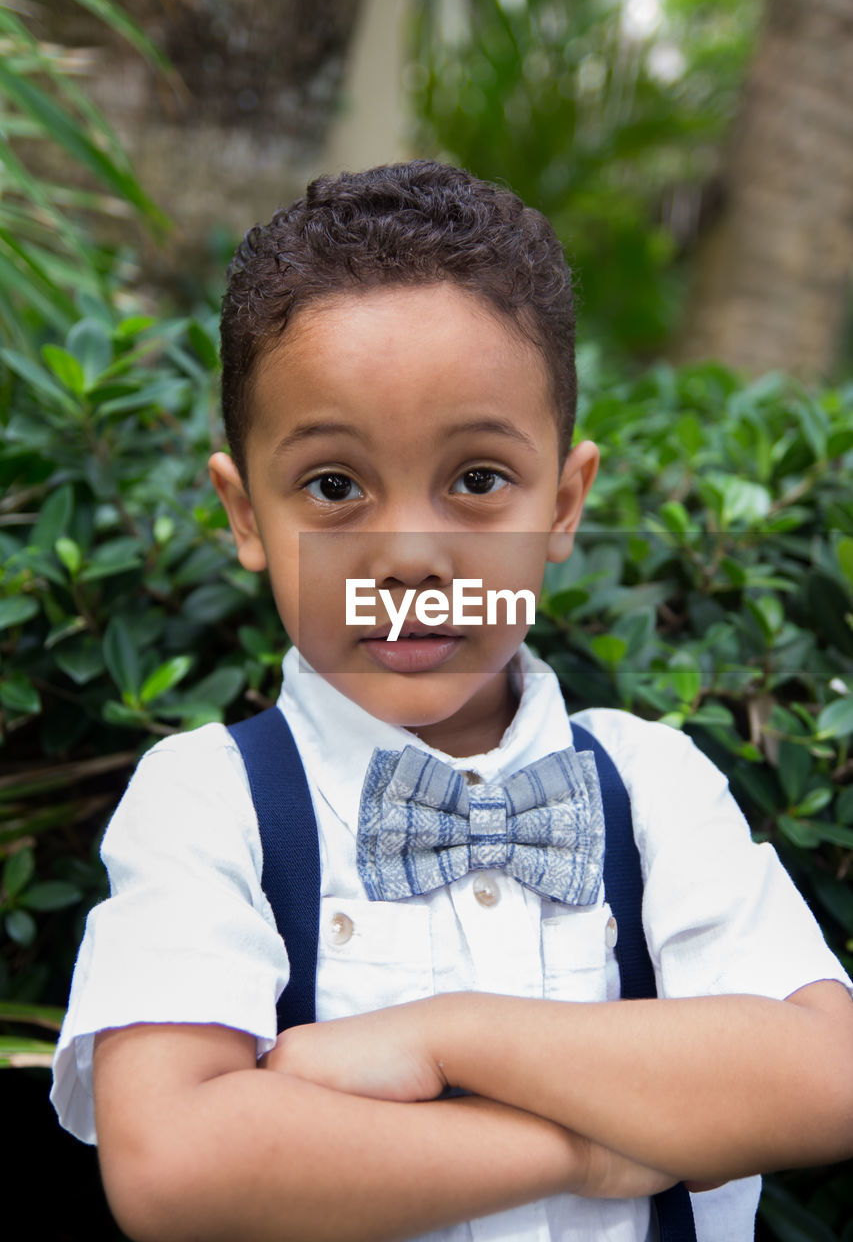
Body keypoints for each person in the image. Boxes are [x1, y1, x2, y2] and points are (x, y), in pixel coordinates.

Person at [51, 161, 853, 1242]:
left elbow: (824, 1070)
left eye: (477, 479)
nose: (412, 558)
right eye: (334, 487)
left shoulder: (652, 780)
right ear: (246, 516)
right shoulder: (210, 799)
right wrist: (582, 1149)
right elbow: (177, 1162)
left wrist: (448, 1037)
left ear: (562, 503)